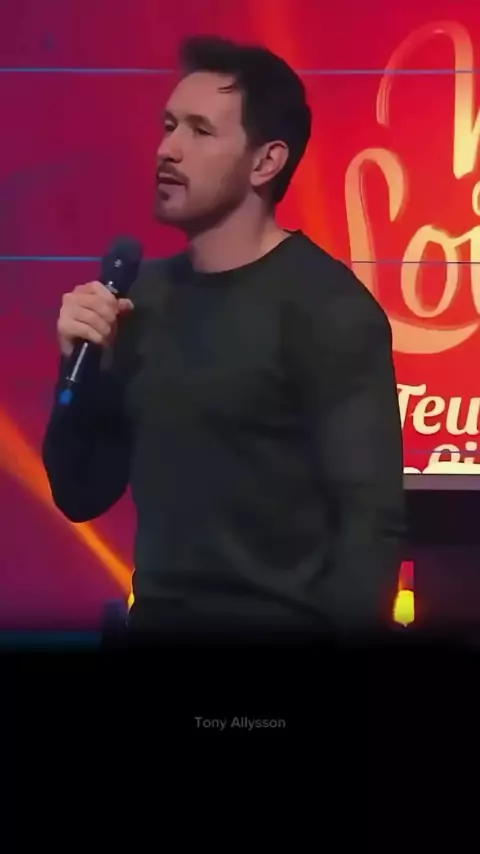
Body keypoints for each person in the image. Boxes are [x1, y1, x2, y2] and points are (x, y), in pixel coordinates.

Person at [42, 35, 406, 645]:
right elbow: (81, 493)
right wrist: (79, 366)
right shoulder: (141, 298)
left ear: (266, 162)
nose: (168, 149)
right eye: (168, 126)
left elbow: (371, 526)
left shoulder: (328, 309)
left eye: (201, 131)